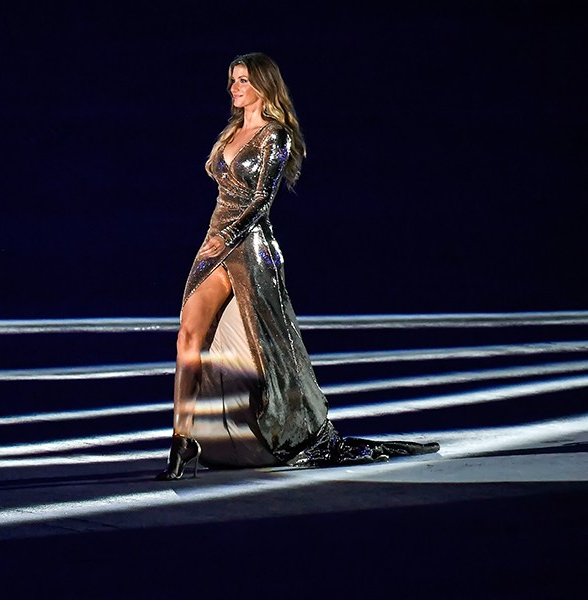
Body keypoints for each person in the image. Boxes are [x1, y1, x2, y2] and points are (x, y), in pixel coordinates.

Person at [156, 53, 438, 480]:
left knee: (267, 350)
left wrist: (228, 237)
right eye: (232, 80)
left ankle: (285, 428)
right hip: (214, 244)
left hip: (249, 248)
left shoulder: (276, 135)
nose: (234, 88)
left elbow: (262, 200)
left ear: (263, 85)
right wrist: (218, 239)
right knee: (188, 336)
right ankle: (182, 439)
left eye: (243, 80)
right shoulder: (231, 132)